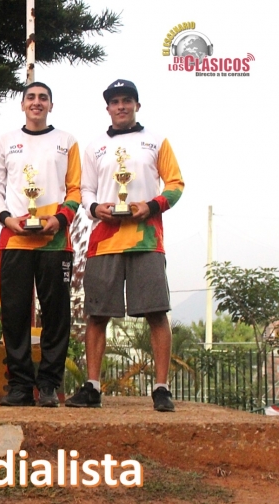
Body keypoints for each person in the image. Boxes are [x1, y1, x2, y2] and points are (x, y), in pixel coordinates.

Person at [65, 79, 184, 412]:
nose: (121, 106)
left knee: (156, 312)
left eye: (127, 100)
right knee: (97, 314)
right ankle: (92, 387)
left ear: (137, 105)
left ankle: (161, 388)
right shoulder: (94, 147)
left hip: (146, 238)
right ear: (108, 108)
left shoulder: (156, 141)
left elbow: (175, 184)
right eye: (115, 101)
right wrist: (93, 209)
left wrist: (153, 205)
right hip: (104, 240)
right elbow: (85, 189)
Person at [0, 82, 81, 407]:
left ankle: (50, 385)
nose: (37, 103)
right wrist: (6, 218)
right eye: (31, 98)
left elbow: (75, 189)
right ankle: (20, 386)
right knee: (14, 314)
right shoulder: (5, 142)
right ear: (22, 105)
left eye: (43, 98)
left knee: (56, 314)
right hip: (14, 240)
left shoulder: (66, 141)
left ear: (51, 105)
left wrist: (61, 218)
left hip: (55, 241)